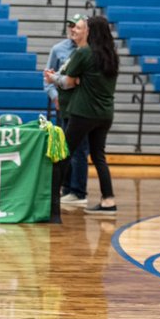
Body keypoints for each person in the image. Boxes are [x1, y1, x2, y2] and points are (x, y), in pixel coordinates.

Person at [45, 16, 119, 215]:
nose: (83, 30)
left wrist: (52, 78)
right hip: (105, 113)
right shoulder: (112, 55)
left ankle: (50, 200)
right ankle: (108, 200)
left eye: (85, 28)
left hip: (84, 112)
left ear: (91, 31)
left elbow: (68, 81)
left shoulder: (84, 53)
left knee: (64, 153)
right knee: (98, 157)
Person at [44, 14, 90, 205]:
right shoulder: (58, 49)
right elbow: (47, 77)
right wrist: (55, 97)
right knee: (63, 147)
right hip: (63, 105)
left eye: (76, 26)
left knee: (80, 149)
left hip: (80, 106)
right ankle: (66, 188)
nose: (72, 29)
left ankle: (79, 190)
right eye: (70, 25)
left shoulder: (87, 51)